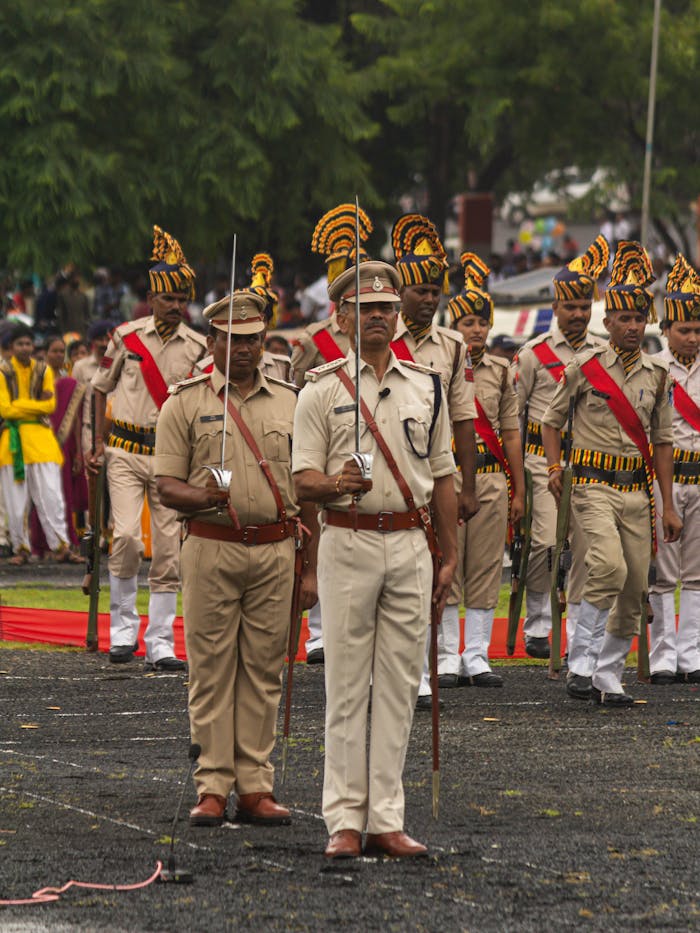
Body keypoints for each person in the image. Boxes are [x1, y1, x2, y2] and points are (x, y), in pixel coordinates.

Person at [293, 260, 457, 859]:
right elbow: (301, 482)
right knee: (345, 686)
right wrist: (337, 481)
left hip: (411, 543)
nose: (379, 318)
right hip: (348, 538)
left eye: (387, 309)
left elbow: (442, 476)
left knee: (397, 687)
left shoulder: (427, 386)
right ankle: (342, 818)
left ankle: (386, 817)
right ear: (342, 318)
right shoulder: (321, 389)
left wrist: (448, 556)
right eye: (366, 310)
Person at [155, 290, 317, 828]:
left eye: (252, 339)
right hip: (211, 546)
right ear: (214, 340)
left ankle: (255, 786)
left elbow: (307, 493)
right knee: (210, 669)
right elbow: (165, 487)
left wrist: (311, 567)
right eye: (232, 339)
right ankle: (212, 786)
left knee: (265, 670)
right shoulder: (185, 402)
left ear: (264, 339)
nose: (243, 349)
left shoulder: (294, 401)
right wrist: (205, 497)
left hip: (276, 548)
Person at [542, 241, 682, 706]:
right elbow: (550, 420)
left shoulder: (658, 375)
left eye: (639, 319)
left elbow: (662, 441)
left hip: (637, 492)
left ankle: (608, 673)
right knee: (606, 565)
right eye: (624, 319)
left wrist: (666, 502)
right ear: (608, 323)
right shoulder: (583, 367)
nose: (632, 326)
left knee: (636, 583)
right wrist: (555, 466)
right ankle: (580, 663)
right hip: (591, 486)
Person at [88, 226, 207, 670]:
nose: (176, 306)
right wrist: (95, 443)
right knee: (125, 538)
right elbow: (100, 387)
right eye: (169, 298)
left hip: (171, 458)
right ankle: (122, 633)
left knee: (170, 549)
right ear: (152, 298)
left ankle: (160, 642)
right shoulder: (126, 337)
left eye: (182, 299)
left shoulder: (197, 346)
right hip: (122, 450)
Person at [390, 213, 478, 708]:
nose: (429, 298)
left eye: (435, 291)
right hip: (389, 470)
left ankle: (424, 669)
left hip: (435, 472)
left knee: (434, 569)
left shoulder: (452, 346)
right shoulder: (378, 337)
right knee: (394, 573)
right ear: (401, 290)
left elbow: (463, 419)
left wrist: (467, 487)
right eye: (420, 289)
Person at [511, 236, 609, 659]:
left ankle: (577, 636)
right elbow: (513, 417)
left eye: (585, 307)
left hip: (586, 460)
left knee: (585, 546)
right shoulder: (533, 354)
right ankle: (538, 623)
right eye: (571, 307)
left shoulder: (603, 352)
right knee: (546, 543)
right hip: (538, 458)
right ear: (555, 308)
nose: (579, 314)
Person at [291, 203, 373, 665]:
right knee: (320, 534)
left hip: (372, 445)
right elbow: (295, 392)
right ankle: (319, 630)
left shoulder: (383, 335)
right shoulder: (311, 340)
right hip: (324, 444)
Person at [438, 254, 525, 687]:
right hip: (446, 475)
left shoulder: (502, 370)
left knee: (487, 565)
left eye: (480, 322)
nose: (474, 329)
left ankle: (476, 655)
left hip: (490, 479)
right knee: (447, 563)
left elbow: (511, 435)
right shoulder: (437, 366)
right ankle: (446, 655)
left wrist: (520, 491)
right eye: (467, 321)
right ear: (452, 324)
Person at [648, 255, 700, 685]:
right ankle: (663, 653)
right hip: (666, 479)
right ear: (666, 331)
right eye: (684, 329)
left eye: (698, 330)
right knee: (665, 574)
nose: (692, 336)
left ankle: (692, 653)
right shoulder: (654, 369)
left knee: (698, 573)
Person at [0, 324, 78, 564]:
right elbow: (3, 408)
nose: (24, 348)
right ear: (11, 348)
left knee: (52, 497)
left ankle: (61, 547)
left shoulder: (43, 370)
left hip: (43, 443)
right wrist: (34, 407)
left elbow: (50, 406)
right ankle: (21, 549)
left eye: (28, 344)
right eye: (19, 344)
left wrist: (19, 406)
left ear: (33, 347)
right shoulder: (3, 372)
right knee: (15, 502)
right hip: (13, 443)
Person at [29, 335, 87, 555]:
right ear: (45, 353)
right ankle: (40, 545)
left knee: (63, 495)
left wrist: (79, 453)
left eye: (61, 351)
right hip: (39, 444)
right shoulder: (35, 382)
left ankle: (64, 543)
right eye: (54, 351)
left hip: (64, 446)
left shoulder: (70, 384)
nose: (58, 355)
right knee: (41, 495)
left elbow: (77, 421)